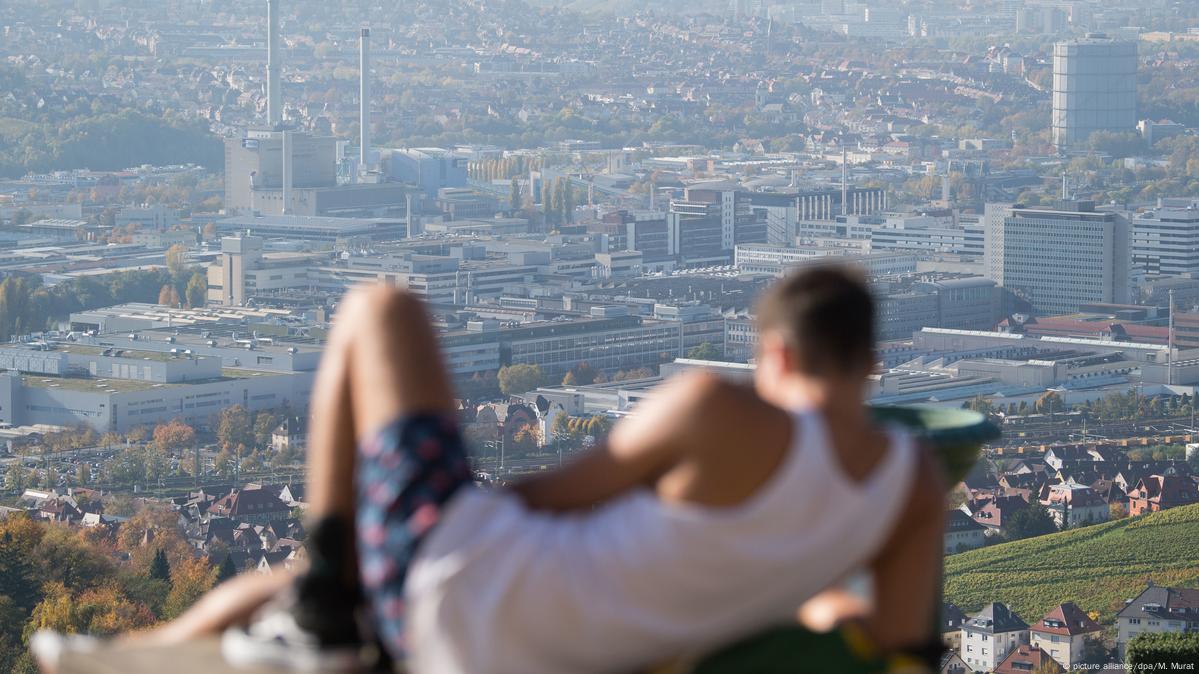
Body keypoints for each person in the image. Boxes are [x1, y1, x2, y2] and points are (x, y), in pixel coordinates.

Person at [37, 266, 945, 674]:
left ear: (775, 355)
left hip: (458, 585)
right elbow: (898, 651)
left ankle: (320, 615)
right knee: (336, 573)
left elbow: (540, 498)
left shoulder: (718, 408)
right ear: (871, 360)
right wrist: (804, 599)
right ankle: (239, 629)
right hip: (541, 655)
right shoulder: (913, 488)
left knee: (379, 309)